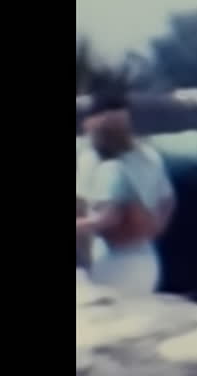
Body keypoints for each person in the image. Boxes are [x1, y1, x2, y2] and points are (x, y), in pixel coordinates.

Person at [75, 90, 176, 296]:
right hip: (146, 259)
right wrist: (153, 228)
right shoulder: (149, 156)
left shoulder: (111, 167)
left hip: (115, 262)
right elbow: (168, 200)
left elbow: (108, 218)